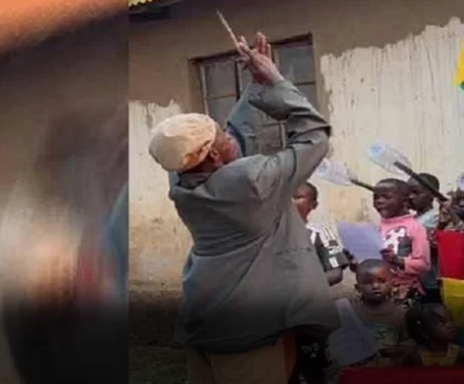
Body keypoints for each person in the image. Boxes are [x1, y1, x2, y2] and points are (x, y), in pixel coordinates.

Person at [147, 33, 337, 384]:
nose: (228, 132)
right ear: (217, 155)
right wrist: (278, 82)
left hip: (205, 315)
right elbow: (314, 137)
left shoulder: (181, 179)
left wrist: (256, 85)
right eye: (221, 135)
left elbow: (239, 133)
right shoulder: (250, 180)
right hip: (247, 330)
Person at [291, 182, 348, 384]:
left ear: (313, 205)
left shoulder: (319, 234)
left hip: (310, 314)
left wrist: (302, 285)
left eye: (297, 197)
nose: (289, 201)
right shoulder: (266, 235)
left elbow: (335, 272)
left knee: (313, 367)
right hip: (275, 316)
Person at [373, 178, 431, 307]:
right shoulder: (376, 228)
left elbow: (424, 265)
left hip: (405, 294)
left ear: (404, 201)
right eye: (375, 197)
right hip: (378, 294)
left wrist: (398, 261)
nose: (379, 201)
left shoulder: (415, 228)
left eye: (386, 197)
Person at [350, 259, 411, 366]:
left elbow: (407, 344)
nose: (375, 286)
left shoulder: (401, 313)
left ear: (392, 283)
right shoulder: (351, 312)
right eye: (368, 282)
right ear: (358, 288)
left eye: (382, 281)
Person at [393, 303, 464, 366]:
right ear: (424, 332)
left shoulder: (457, 351)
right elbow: (389, 373)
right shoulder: (415, 355)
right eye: (442, 323)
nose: (450, 325)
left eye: (450, 320)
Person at [408, 174, 443, 304]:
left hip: (432, 283)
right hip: (416, 282)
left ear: (432, 194)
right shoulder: (412, 218)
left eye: (416, 192)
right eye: (408, 192)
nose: (410, 196)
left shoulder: (436, 217)